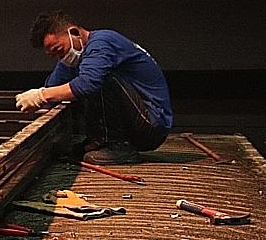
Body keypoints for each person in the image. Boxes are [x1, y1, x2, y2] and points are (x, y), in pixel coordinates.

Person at [17, 11, 172, 164]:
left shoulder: (102, 42)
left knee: (97, 80)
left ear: (74, 32)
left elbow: (87, 84)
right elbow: (53, 87)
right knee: (69, 89)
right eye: (54, 55)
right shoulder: (74, 57)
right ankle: (98, 141)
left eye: (59, 50)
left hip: (151, 125)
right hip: (135, 122)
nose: (60, 57)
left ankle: (118, 146)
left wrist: (41, 95)